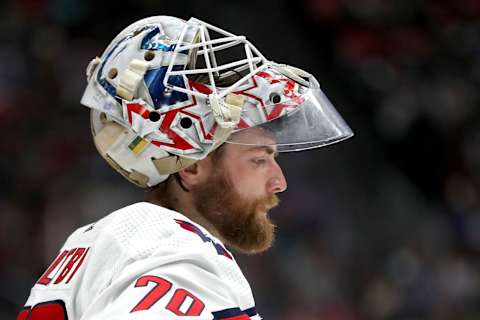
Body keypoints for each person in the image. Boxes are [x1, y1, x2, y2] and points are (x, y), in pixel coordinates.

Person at [18, 16, 353, 319]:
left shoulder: (103, 243)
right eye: (258, 160)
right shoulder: (176, 252)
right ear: (192, 166)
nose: (279, 182)